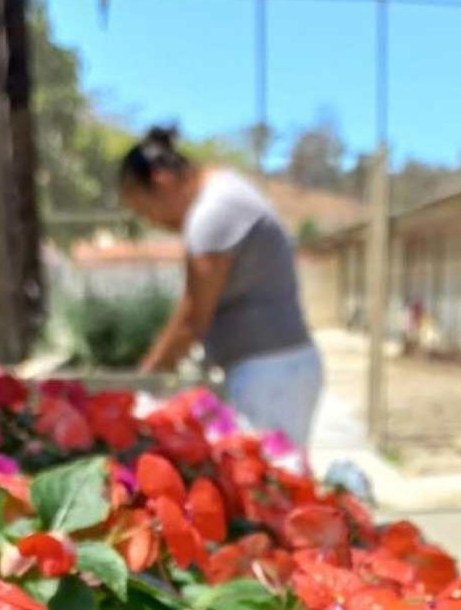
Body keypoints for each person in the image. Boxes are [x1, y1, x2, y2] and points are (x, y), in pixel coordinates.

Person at [119, 127, 322, 448]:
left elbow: (191, 320)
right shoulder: (223, 194)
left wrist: (141, 384)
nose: (155, 222)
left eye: (145, 209)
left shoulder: (214, 211)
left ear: (161, 179)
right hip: (274, 371)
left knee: (269, 484)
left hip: (270, 375)